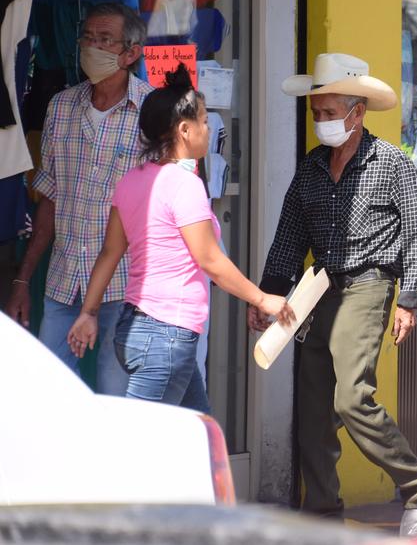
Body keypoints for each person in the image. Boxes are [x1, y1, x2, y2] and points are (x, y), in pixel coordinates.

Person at [255, 52, 417, 535]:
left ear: (356, 112)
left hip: (369, 285)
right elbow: (288, 237)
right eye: (316, 113)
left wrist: (409, 299)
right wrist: (269, 295)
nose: (320, 122)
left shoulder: (392, 163)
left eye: (328, 113)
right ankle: (320, 514)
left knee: (351, 399)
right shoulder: (311, 168)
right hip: (317, 291)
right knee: (313, 410)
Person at [65, 64, 293, 410]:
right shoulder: (185, 186)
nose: (207, 128)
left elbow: (110, 253)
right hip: (166, 335)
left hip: (137, 329)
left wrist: (88, 312)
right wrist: (262, 299)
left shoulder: (132, 181)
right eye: (203, 121)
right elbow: (211, 261)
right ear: (184, 130)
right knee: (147, 446)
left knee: (198, 436)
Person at [5, 2, 152, 395]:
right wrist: (23, 279)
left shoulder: (153, 113)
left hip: (125, 290)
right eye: (88, 37)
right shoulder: (61, 107)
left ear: (131, 52)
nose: (93, 47)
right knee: (50, 397)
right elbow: (49, 199)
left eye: (105, 40)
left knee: (116, 398)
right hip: (64, 281)